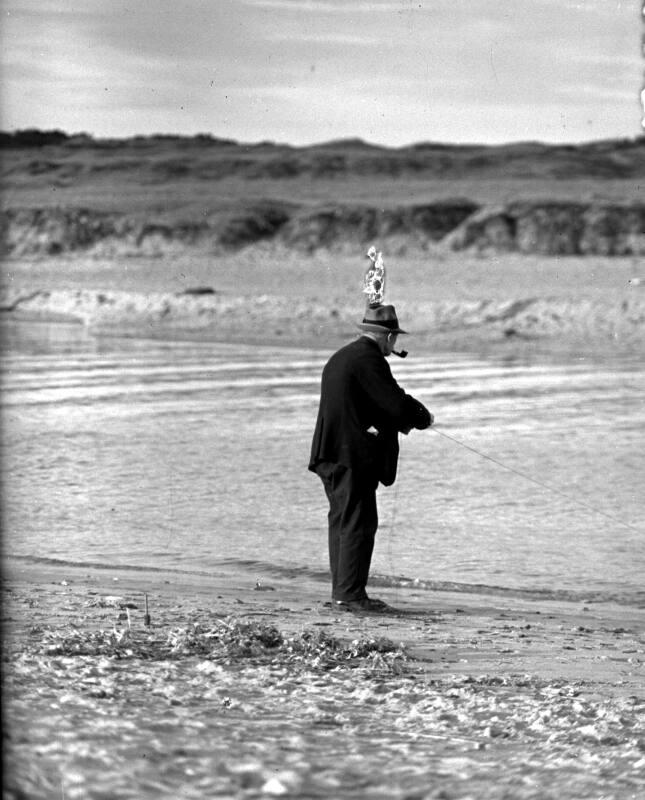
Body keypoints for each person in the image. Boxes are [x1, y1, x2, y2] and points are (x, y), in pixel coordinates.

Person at [308, 303, 434, 612]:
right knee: (358, 523)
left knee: (343, 521)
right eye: (394, 338)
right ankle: (351, 596)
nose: (394, 346)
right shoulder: (368, 359)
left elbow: (373, 402)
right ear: (387, 336)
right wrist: (422, 416)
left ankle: (344, 593)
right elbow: (394, 403)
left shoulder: (345, 356)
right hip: (349, 455)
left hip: (331, 452)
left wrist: (403, 418)